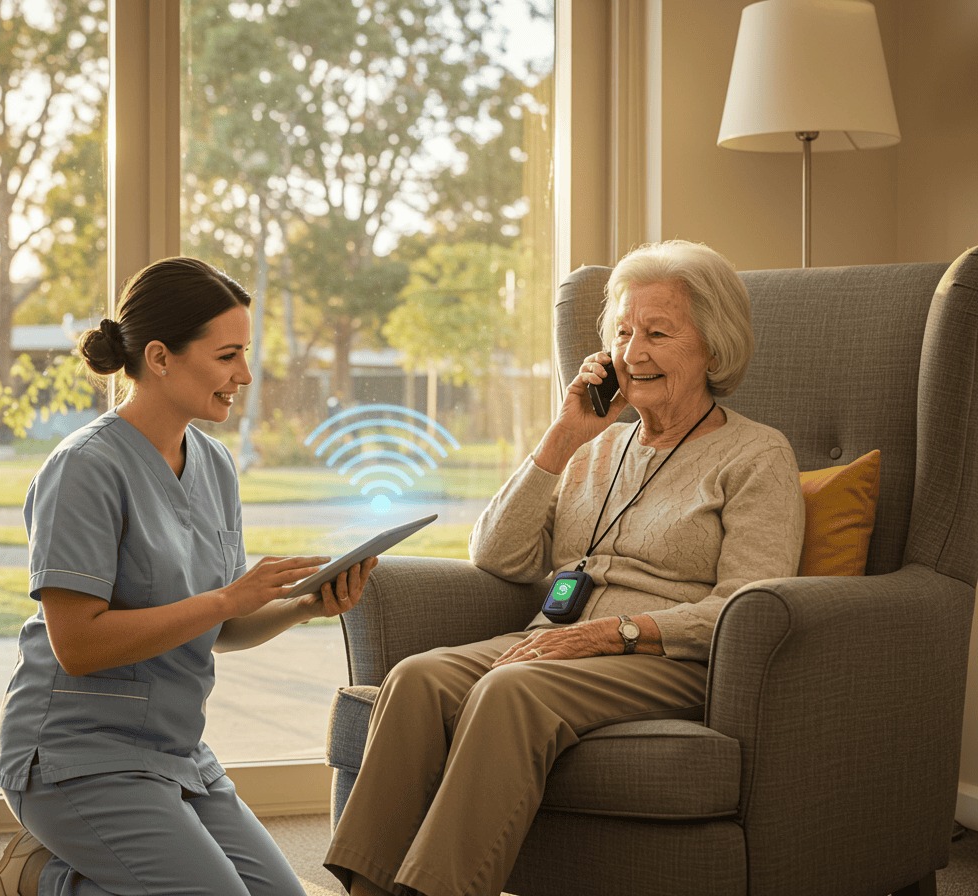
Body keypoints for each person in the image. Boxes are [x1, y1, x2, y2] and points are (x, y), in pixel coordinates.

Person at [324, 240, 807, 896]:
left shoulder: (756, 455)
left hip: (666, 659)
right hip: (555, 642)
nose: (633, 353)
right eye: (623, 332)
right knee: (416, 679)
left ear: (713, 350)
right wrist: (563, 436)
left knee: (510, 690)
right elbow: (497, 554)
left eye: (658, 333)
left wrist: (607, 634)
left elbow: (747, 606)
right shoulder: (596, 444)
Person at [0, 256, 378, 896]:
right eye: (227, 356)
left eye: (245, 355)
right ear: (159, 357)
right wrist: (227, 597)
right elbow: (77, 646)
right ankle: (41, 879)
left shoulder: (214, 465)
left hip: (177, 752)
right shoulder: (84, 467)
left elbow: (222, 628)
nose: (245, 375)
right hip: (76, 754)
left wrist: (304, 606)